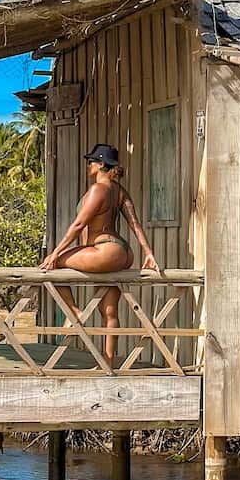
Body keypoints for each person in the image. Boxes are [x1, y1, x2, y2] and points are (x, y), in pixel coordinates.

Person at [40, 143, 159, 361]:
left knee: (51, 267)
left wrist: (55, 253)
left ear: (101, 164)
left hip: (104, 251)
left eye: (91, 161)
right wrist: (148, 253)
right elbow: (135, 224)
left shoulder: (99, 189)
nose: (89, 165)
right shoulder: (119, 191)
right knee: (109, 311)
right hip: (122, 252)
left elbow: (78, 225)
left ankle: (74, 311)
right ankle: (108, 364)